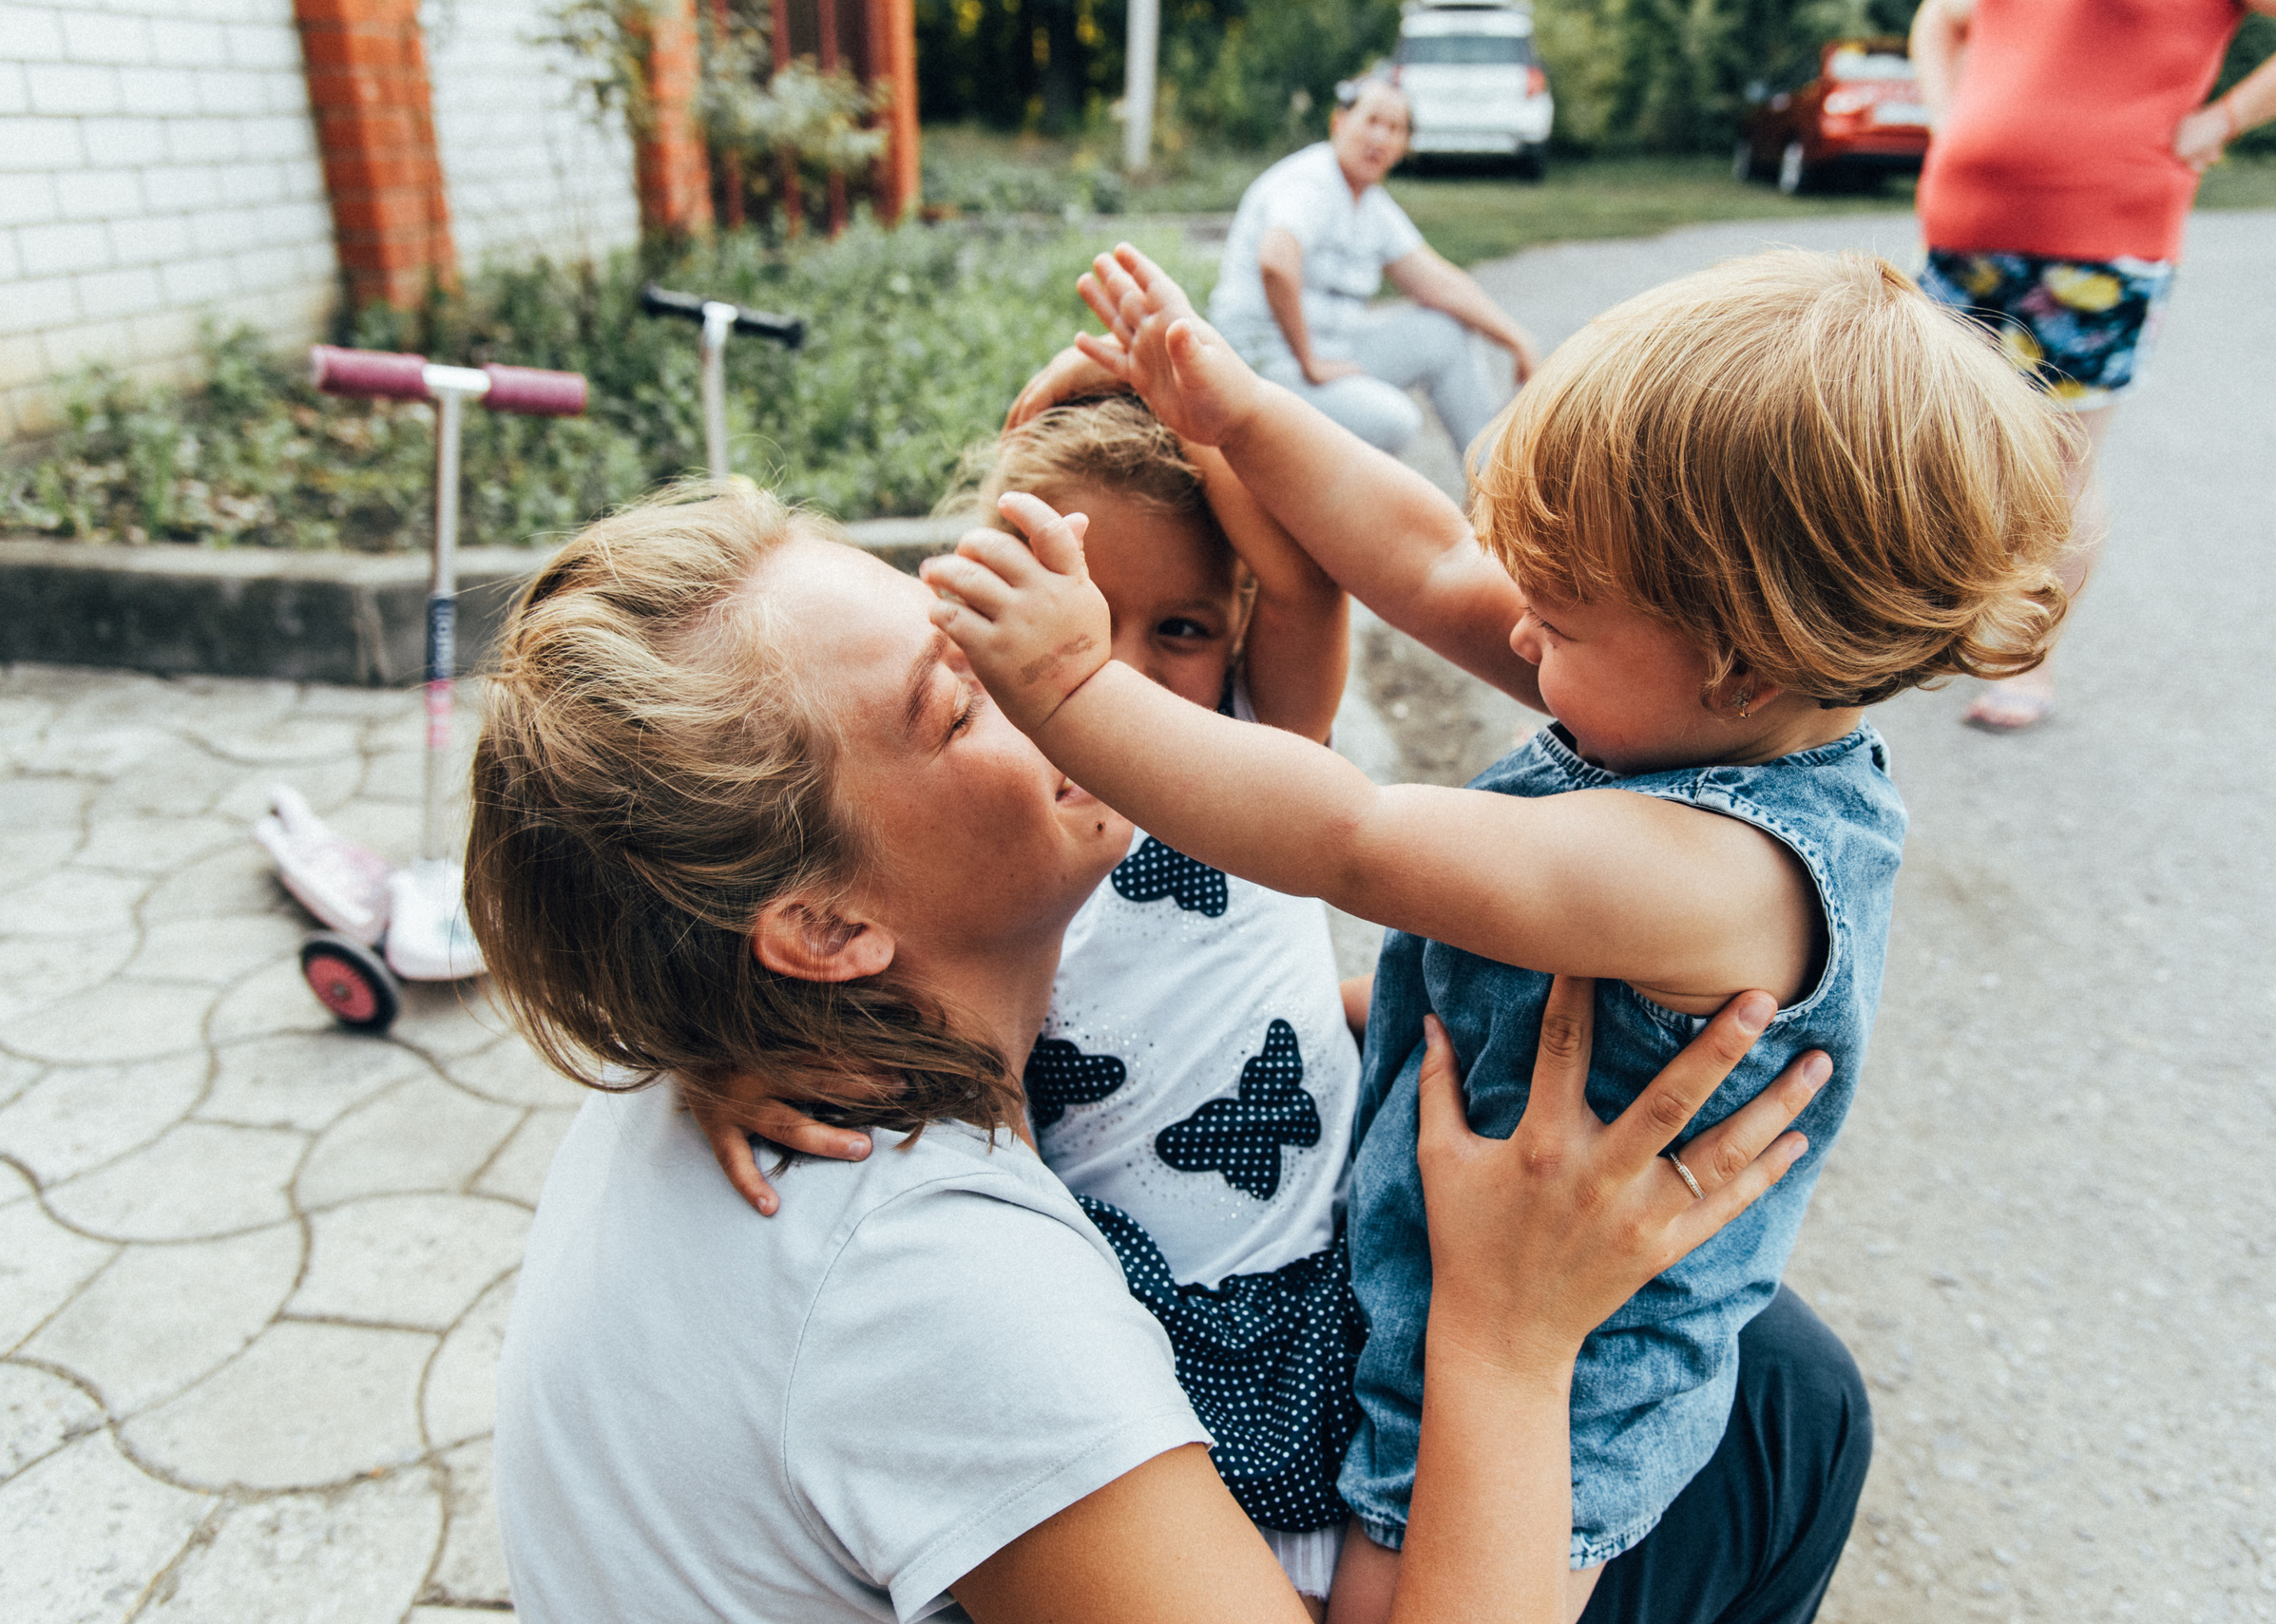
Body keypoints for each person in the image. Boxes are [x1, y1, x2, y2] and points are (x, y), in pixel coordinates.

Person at [921, 242, 2072, 1623]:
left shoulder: (1725, 873)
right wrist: (1237, 415)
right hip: (1454, 1233)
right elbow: (1419, 556)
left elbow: (1355, 835)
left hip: (1585, 1369)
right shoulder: (1682, 692)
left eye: (1564, 610)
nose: (1517, 626)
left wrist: (1065, 683)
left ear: (1743, 657)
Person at [466, 483, 1854, 1624]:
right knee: (1784, 1418)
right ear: (824, 929)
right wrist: (1511, 1334)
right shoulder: (939, 1285)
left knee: (1770, 1371)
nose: (1078, 682)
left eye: (974, 617)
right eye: (963, 702)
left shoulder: (725, 1027)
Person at [722, 392, 1368, 1612]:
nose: (1106, 670)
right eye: (1069, 617)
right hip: (1127, 1316)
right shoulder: (988, 827)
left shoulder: (1258, 757)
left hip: (1318, 1264)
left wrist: (1188, 405)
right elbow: (819, 967)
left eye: (1175, 626)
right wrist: (728, 1066)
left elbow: (1302, 586)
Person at [1908, 0, 2276, 731]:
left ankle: (2025, 655)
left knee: (2057, 462)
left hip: (2099, 236)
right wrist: (1945, 118)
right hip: (1960, 224)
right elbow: (1939, 17)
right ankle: (1944, 625)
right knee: (1943, 447)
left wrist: (2226, 118)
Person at [1205, 79, 1539, 458]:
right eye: (1372, 121)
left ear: (1403, 147)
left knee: (1443, 334)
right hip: (1266, 365)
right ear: (1339, 123)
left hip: (1330, 353)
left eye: (1395, 129)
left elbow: (1438, 283)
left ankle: (1491, 481)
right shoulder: (1309, 182)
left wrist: (1517, 339)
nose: (1380, 137)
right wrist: (1309, 361)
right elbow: (1276, 262)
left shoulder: (1371, 204)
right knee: (1394, 419)